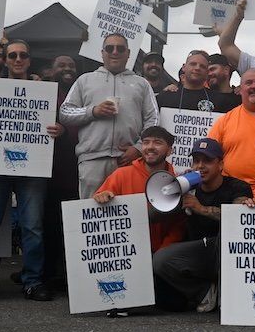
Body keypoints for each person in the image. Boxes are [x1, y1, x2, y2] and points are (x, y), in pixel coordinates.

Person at [0, 40, 64, 303]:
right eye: (13, 55)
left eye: (23, 55)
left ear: (29, 60)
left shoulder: (44, 91)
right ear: (6, 60)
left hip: (33, 167)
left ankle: (32, 281)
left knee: (32, 227)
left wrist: (60, 129)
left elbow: (59, 124)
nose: (18, 59)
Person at [152, 138, 252, 312]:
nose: (200, 166)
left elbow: (239, 219)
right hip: (199, 251)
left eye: (207, 161)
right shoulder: (188, 187)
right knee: (161, 260)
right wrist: (174, 188)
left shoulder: (238, 186)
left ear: (221, 164)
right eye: (196, 160)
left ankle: (228, 296)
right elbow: (153, 216)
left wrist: (201, 209)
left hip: (228, 251)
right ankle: (205, 291)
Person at [59, 33, 159, 198]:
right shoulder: (85, 80)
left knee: (128, 216)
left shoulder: (142, 84)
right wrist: (93, 111)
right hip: (92, 159)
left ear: (128, 53)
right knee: (91, 216)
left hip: (128, 160)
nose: (114, 52)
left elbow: (153, 119)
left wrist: (139, 148)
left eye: (120, 49)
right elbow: (65, 112)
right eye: (109, 48)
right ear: (102, 52)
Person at [92, 126, 186, 253]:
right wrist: (100, 197)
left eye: (157, 142)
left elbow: (177, 228)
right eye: (146, 142)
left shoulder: (178, 184)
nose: (150, 147)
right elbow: (97, 208)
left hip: (157, 258)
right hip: (124, 254)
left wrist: (161, 255)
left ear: (169, 151)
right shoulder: (121, 174)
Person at [43, 55, 80, 290]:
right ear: (51, 70)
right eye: (62, 65)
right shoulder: (43, 91)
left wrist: (65, 130)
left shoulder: (81, 93)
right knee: (49, 226)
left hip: (75, 172)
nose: (67, 69)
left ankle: (71, 277)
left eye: (71, 66)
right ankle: (48, 274)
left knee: (73, 228)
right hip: (48, 172)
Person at [157, 50, 240, 113]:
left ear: (207, 72)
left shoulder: (222, 101)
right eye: (193, 64)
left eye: (202, 66)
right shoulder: (165, 97)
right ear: (184, 67)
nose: (197, 68)